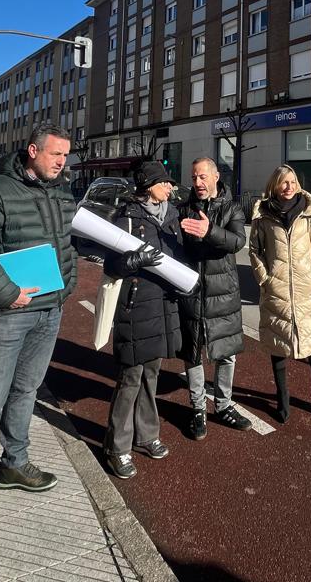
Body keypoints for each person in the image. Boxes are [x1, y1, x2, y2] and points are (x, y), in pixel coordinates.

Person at [0, 123, 78, 547]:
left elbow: (67, 243)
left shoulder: (62, 192)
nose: (63, 162)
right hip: (6, 313)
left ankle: (14, 464)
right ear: (31, 151)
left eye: (66, 155)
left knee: (27, 391)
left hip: (50, 311)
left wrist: (69, 281)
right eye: (55, 154)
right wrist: (6, 293)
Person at [103, 160, 184, 479]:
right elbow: (110, 264)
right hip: (135, 306)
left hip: (163, 306)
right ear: (149, 185)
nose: (170, 187)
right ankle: (117, 448)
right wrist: (134, 260)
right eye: (165, 182)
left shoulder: (173, 214)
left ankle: (147, 435)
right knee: (130, 378)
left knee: (152, 374)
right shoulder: (126, 216)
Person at [250, 164, 311, 423]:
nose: (289, 187)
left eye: (293, 181)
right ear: (275, 185)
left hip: (306, 288)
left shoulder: (309, 212)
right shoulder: (263, 214)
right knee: (278, 344)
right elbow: (254, 250)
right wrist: (264, 278)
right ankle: (282, 396)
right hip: (277, 289)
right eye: (284, 182)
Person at [178, 157, 250, 440]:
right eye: (194, 177)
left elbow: (237, 242)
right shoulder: (183, 208)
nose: (198, 183)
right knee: (193, 351)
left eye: (203, 177)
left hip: (224, 294)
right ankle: (198, 408)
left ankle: (223, 405)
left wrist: (210, 231)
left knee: (226, 353)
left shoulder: (232, 208)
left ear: (216, 176)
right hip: (192, 291)